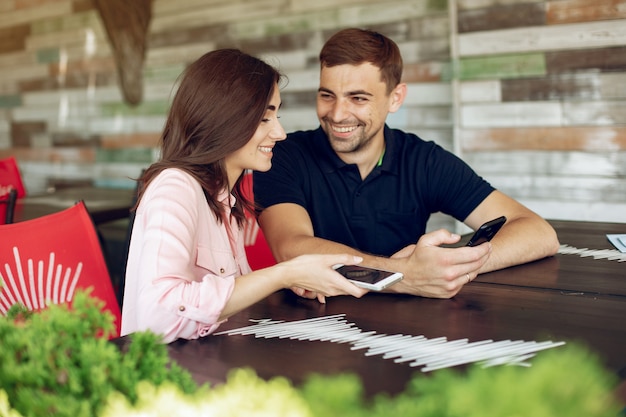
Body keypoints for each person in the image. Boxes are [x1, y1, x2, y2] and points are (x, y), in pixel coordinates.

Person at [253, 28, 560, 299]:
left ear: (395, 98)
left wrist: (452, 267)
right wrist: (401, 274)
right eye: (327, 95)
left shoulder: (423, 160)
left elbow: (538, 232)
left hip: (405, 329)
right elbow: (292, 247)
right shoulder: (284, 155)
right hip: (305, 331)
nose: (337, 113)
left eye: (358, 98)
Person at [121, 49, 367, 343]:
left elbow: (229, 295)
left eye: (276, 115)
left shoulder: (225, 196)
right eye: (265, 119)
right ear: (224, 121)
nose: (280, 132)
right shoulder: (175, 188)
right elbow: (159, 315)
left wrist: (293, 279)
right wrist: (283, 274)